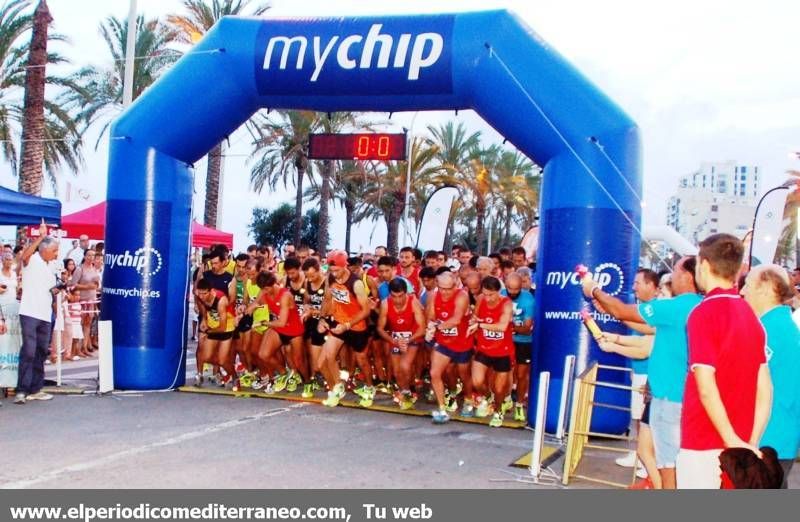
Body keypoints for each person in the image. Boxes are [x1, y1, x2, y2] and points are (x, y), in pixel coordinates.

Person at [583, 258, 701, 489]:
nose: (670, 276)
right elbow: (640, 325)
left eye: (675, 271)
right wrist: (609, 308)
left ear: (688, 276)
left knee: (669, 465)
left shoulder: (675, 306)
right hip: (670, 394)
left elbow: (623, 313)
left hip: (670, 398)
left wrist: (594, 289)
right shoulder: (693, 307)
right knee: (652, 453)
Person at [677, 234, 772, 489]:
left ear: (705, 264)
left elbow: (706, 386)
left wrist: (730, 438)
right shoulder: (752, 317)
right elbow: (765, 388)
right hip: (741, 446)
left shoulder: (703, 314)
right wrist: (750, 441)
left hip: (703, 441)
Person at [741, 264, 800, 488]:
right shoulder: (783, 327)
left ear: (766, 288)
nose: (743, 291)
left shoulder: (767, 332)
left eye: (748, 285)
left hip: (766, 438)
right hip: (779, 438)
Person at [317, 250, 372, 408]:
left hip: (356, 325)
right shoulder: (330, 278)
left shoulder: (356, 283)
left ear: (345, 265)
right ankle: (337, 388)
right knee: (325, 360)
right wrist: (322, 318)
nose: (334, 273)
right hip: (338, 321)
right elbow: (327, 300)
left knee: (362, 360)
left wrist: (348, 325)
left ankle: (369, 387)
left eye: (337, 270)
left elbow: (366, 310)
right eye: (331, 270)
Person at [15, 222, 59, 404]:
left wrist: (56, 290)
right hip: (30, 312)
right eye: (54, 250)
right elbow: (24, 256)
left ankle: (35, 388)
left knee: (41, 351)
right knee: (29, 351)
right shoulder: (33, 260)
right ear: (44, 249)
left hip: (45, 314)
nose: (56, 254)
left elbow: (48, 290)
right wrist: (40, 236)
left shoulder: (50, 267)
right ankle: (22, 390)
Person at [426, 271, 474, 423]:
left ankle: (468, 399)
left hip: (462, 342)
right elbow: (431, 316)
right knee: (435, 373)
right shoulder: (434, 296)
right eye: (442, 288)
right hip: (445, 341)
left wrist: (437, 327)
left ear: (455, 285)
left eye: (449, 288)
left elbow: (456, 319)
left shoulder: (462, 296)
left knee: (464, 374)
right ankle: (442, 409)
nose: (445, 292)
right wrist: (430, 325)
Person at [376, 278, 427, 410]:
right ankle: (406, 392)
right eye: (394, 296)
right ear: (389, 294)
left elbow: (422, 328)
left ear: (406, 293)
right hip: (396, 338)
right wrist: (394, 341)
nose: (397, 300)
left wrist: (406, 341)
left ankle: (410, 388)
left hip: (413, 336)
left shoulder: (413, 301)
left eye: (400, 296)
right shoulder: (385, 304)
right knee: (397, 370)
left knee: (405, 365)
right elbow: (380, 328)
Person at [470, 276, 514, 427]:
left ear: (498, 292)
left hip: (502, 350)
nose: (488, 298)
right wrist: (472, 321)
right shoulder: (481, 299)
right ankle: (489, 398)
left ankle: (498, 410)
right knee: (477, 381)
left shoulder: (506, 303)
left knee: (499, 388)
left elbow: (502, 327)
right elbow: (475, 317)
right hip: (484, 348)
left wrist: (480, 326)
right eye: (485, 294)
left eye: (491, 295)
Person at [502, 273, 534, 422]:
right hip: (504, 341)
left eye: (516, 289)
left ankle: (519, 404)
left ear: (521, 286)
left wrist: (508, 327)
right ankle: (505, 399)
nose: (512, 292)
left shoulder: (528, 299)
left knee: (521, 375)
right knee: (504, 373)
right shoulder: (501, 295)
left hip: (524, 342)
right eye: (510, 288)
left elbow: (527, 328)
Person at [194, 278, 238, 388]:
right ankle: (219, 370)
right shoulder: (199, 295)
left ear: (211, 291)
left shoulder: (221, 300)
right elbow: (202, 306)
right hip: (212, 325)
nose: (202, 296)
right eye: (200, 293)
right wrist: (204, 319)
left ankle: (234, 376)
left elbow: (222, 327)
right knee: (206, 357)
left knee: (222, 361)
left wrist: (207, 332)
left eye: (204, 294)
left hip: (226, 328)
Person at [70, 250, 100, 357]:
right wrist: (87, 287)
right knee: (80, 324)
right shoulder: (79, 269)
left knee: (88, 324)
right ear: (85, 256)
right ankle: (77, 349)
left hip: (91, 299)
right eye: (89, 255)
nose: (91, 257)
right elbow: (73, 285)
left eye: (93, 255)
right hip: (81, 300)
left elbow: (96, 285)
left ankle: (85, 347)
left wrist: (96, 285)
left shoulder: (94, 269)